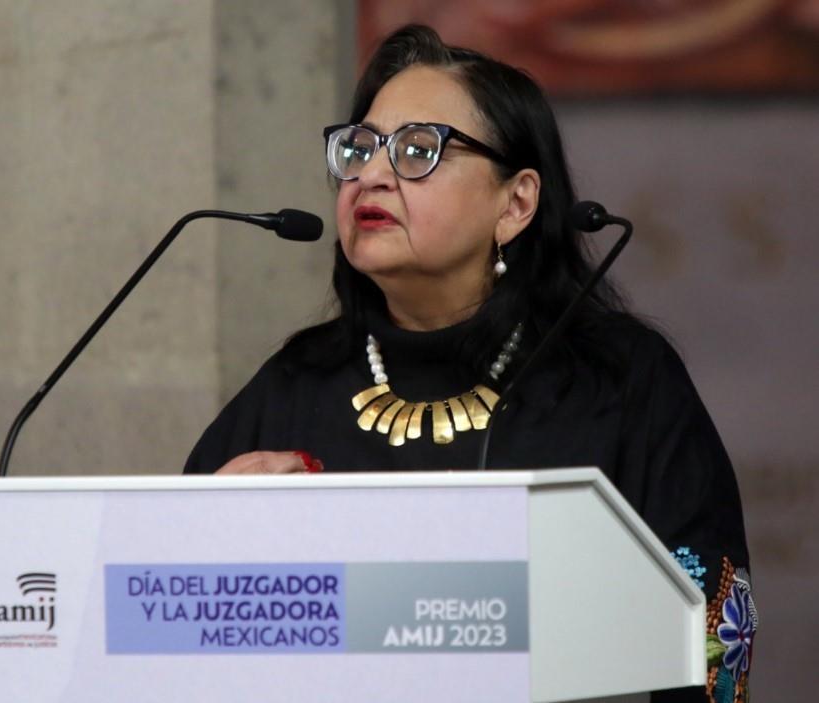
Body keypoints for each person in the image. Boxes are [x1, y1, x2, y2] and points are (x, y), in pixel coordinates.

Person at [184, 25, 753, 703]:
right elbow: (166, 625)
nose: (371, 173)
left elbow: (713, 632)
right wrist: (215, 542)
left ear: (515, 203)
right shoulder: (293, 383)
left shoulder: (620, 381)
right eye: (359, 149)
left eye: (418, 150)